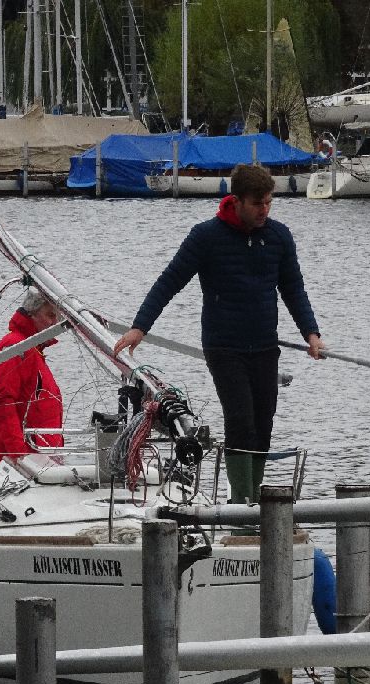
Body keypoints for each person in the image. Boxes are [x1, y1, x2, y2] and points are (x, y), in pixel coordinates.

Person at [112, 164, 324, 504]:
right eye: (257, 204)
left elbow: (293, 289)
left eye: (269, 202)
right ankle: (242, 503)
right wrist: (140, 327)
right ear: (236, 201)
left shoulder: (279, 236)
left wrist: (311, 333)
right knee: (241, 421)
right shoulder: (206, 236)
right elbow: (169, 281)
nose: (264, 210)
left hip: (265, 345)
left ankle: (254, 501)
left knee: (263, 422)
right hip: (224, 346)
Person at [0, 288, 64, 467]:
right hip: (24, 461)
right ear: (32, 314)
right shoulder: (15, 346)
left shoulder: (33, 349)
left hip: (41, 457)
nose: (55, 323)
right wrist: (19, 455)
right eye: (50, 315)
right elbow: (1, 404)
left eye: (57, 317)